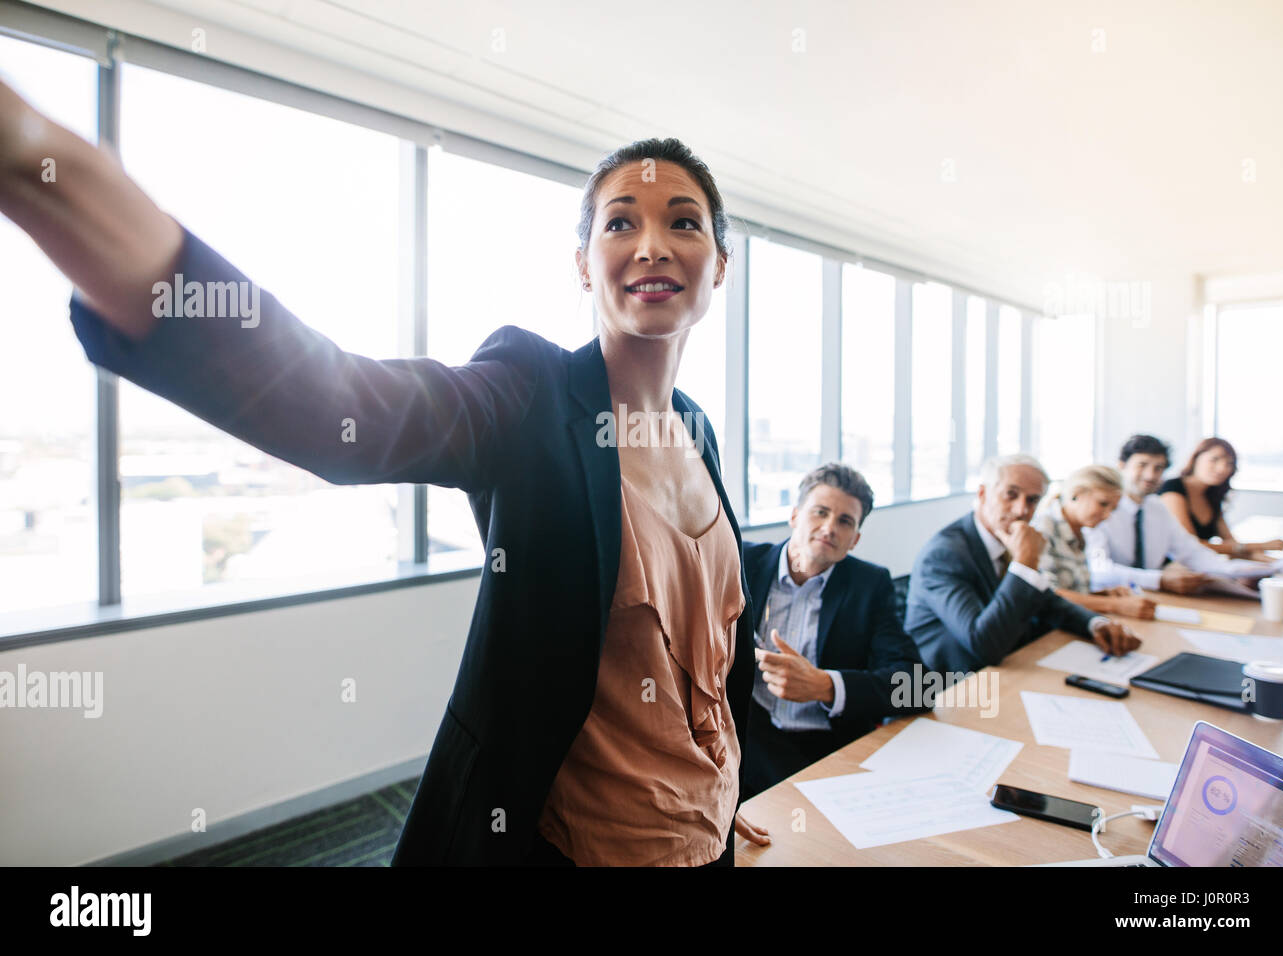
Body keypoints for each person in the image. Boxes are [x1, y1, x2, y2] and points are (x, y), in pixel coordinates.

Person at [0, 79, 773, 865]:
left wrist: (720, 791)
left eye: (684, 222)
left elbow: (714, 664)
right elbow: (340, 406)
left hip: (703, 839)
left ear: (718, 265)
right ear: (584, 265)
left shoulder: (699, 433)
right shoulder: (530, 392)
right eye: (620, 223)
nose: (652, 245)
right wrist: (38, 156)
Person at [741, 463, 929, 800]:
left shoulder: (870, 586)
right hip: (745, 743)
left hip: (827, 752)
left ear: (854, 539)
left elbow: (917, 687)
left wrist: (826, 686)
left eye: (845, 521)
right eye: (820, 512)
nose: (830, 528)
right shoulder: (741, 562)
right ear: (795, 516)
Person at [905, 454, 1140, 677]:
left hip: (1001, 672)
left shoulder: (1006, 537)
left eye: (1033, 499)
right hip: (946, 687)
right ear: (983, 493)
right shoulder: (944, 555)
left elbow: (1047, 601)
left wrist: (1095, 623)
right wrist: (1024, 563)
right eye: (1011, 495)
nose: (1021, 510)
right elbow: (984, 644)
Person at [1084, 435, 1271, 594]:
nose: (1150, 475)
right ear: (1121, 466)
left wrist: (1246, 570)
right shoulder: (1101, 509)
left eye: (1158, 468)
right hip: (1111, 597)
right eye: (1142, 465)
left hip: (1152, 598)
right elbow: (1098, 569)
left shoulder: (1157, 508)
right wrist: (1160, 579)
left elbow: (1192, 552)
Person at [1032, 464, 1156, 619]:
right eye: (1103, 504)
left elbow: (1071, 590)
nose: (1107, 516)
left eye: (1113, 509)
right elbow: (1047, 595)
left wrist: (1104, 595)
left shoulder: (1080, 532)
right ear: (1076, 493)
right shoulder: (1043, 528)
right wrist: (1115, 605)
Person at [1159, 437, 1283, 557]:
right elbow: (1191, 546)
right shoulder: (1172, 489)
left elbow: (1231, 543)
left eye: (1229, 464)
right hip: (1170, 566)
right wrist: (1260, 546)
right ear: (1196, 458)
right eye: (1214, 459)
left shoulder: (1211, 494)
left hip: (1199, 564)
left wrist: (1275, 562)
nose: (1222, 469)